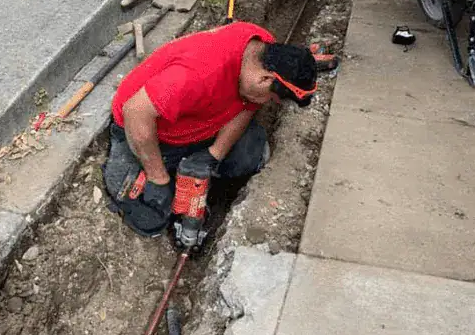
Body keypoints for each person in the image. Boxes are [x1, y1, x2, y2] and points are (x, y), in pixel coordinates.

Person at [102, 21, 318, 237]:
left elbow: (247, 105)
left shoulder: (261, 51)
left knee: (251, 155)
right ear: (265, 79)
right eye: (270, 98)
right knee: (151, 218)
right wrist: (157, 178)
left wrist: (213, 155)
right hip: (147, 131)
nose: (266, 102)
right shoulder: (196, 74)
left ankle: (198, 181)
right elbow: (135, 112)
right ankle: (163, 172)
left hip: (203, 122)